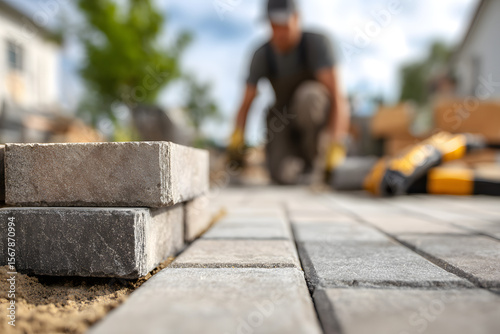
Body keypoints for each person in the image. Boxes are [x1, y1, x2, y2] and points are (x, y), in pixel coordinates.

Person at [227, 0, 350, 185]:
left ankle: (318, 160)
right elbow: (246, 104)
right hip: (283, 120)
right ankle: (294, 165)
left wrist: (336, 144)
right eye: (274, 25)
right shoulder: (262, 55)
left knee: (309, 97)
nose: (279, 32)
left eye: (284, 24)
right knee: (280, 175)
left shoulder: (317, 44)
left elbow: (338, 98)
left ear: (297, 18)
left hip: (316, 125)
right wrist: (236, 142)